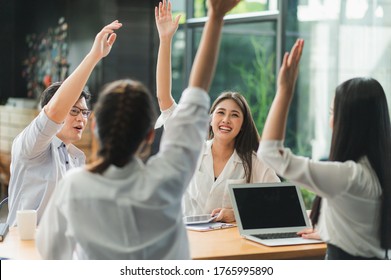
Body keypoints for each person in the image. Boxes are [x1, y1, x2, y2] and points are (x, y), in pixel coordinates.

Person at [36, 0, 242, 260]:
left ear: (96, 125)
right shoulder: (168, 178)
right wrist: (215, 16)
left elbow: (51, 255)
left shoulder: (73, 188)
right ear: (149, 135)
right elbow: (197, 92)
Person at [258, 39, 391, 259]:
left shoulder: (349, 176)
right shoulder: (379, 170)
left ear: (346, 121)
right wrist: (332, 230)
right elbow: (365, 222)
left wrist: (285, 90)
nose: (330, 121)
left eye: (332, 112)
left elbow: (270, 153)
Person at [154, 0, 280, 223]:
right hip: (190, 240)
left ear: (243, 124)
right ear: (211, 118)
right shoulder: (192, 149)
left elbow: (277, 203)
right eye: (221, 112)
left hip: (230, 246)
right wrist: (165, 40)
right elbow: (164, 98)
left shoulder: (254, 161)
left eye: (234, 115)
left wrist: (237, 214)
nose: (226, 120)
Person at [6, 20, 123, 227]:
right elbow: (54, 111)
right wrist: (94, 56)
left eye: (85, 112)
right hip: (24, 246)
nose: (82, 118)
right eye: (74, 111)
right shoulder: (32, 145)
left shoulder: (77, 157)